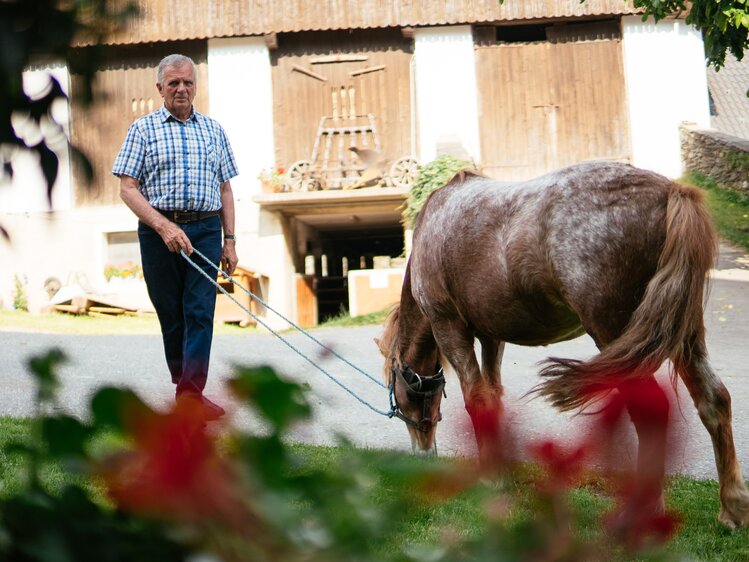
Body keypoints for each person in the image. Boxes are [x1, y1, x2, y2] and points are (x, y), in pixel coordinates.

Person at [112, 54, 238, 420]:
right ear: (160, 88)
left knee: (200, 311)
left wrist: (229, 240)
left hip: (205, 229)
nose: (181, 89)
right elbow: (128, 188)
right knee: (172, 314)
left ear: (196, 86)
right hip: (158, 232)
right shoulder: (142, 130)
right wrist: (163, 226)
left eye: (188, 82)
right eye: (173, 83)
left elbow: (226, 190)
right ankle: (186, 387)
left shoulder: (214, 130)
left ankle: (190, 394)